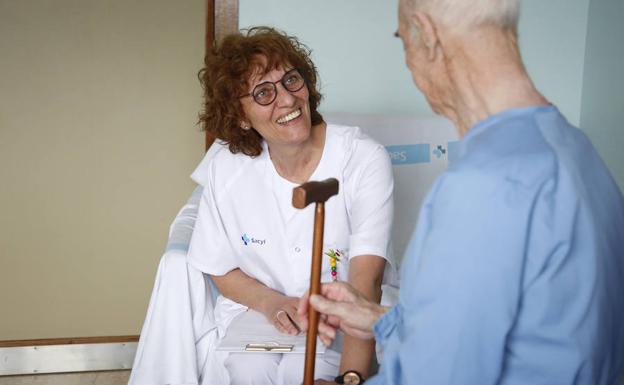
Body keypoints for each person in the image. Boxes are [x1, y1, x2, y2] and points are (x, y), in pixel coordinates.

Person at [298, 1, 624, 384]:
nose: (409, 66)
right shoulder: (575, 149)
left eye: (403, 41)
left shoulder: (482, 188)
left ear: (429, 36)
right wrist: (383, 322)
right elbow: (533, 332)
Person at [129, 27, 395, 385]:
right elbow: (219, 267)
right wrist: (272, 303)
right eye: (263, 92)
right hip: (262, 317)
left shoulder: (362, 158)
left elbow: (368, 281)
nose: (286, 99)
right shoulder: (227, 168)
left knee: (309, 371)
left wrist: (349, 378)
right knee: (248, 369)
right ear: (240, 116)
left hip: (341, 321)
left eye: (291, 80)